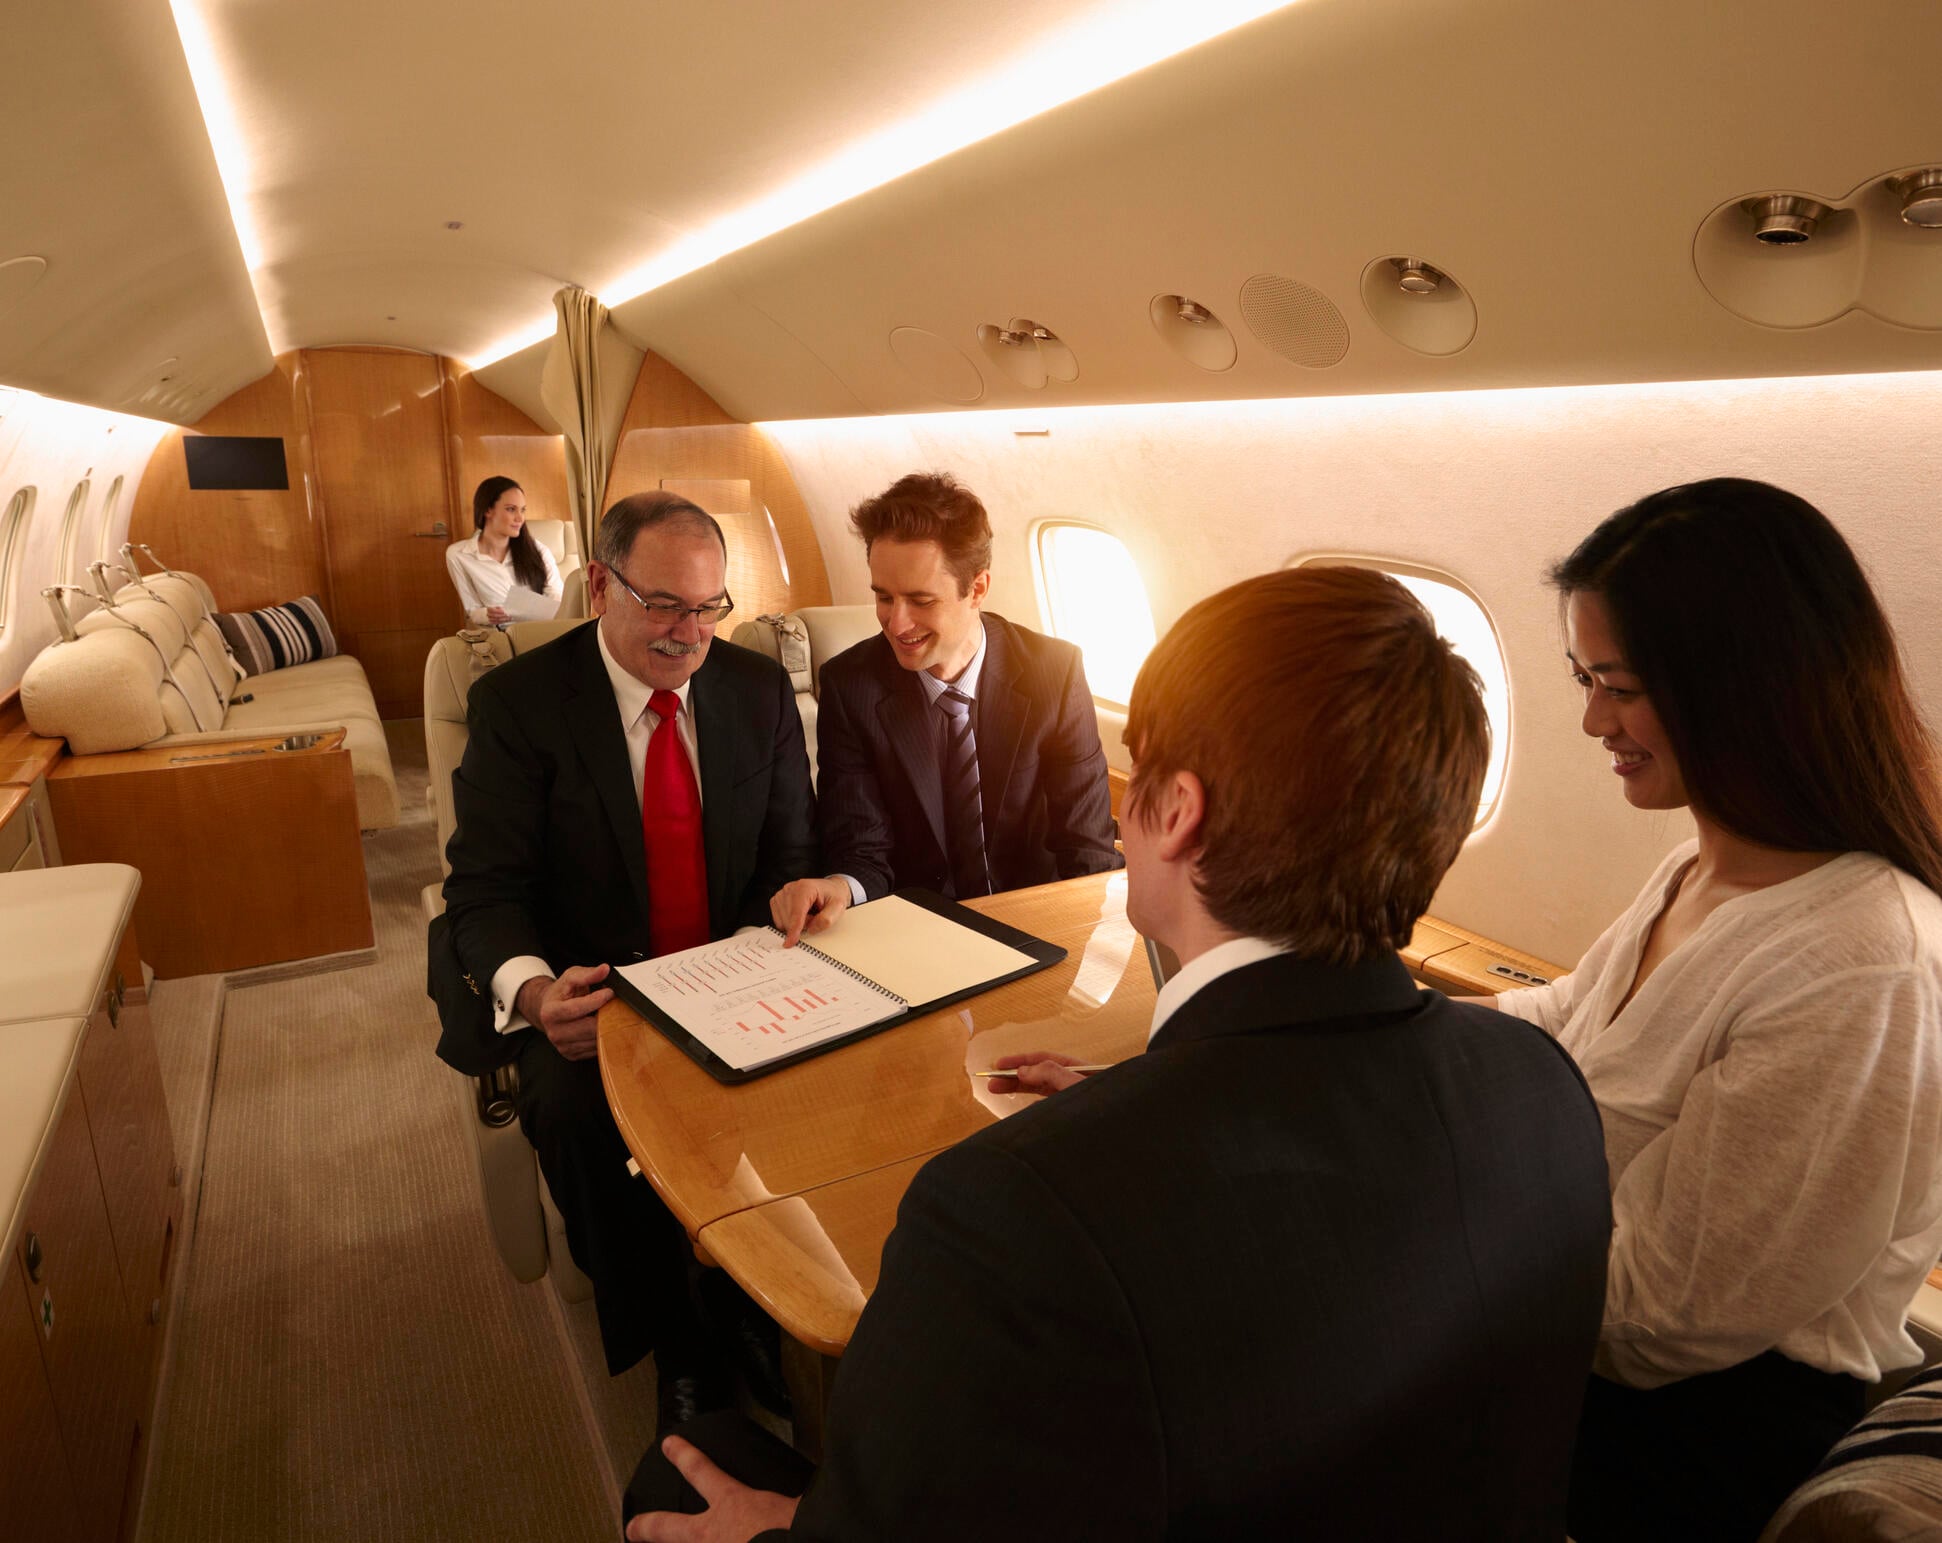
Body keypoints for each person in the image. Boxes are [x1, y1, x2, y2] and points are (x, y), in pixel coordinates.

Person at [624, 565, 1613, 1541]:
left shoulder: (1002, 1211)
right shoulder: (1543, 1087)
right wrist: (1134, 1097)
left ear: (1176, 810)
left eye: (1132, 771)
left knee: (682, 1469)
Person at [1483, 479, 1942, 1543]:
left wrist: (1432, 1234)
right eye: (1584, 678)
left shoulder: (1861, 965)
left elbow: (1662, 1316)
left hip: (1685, 1433)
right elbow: (1565, 1021)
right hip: (1571, 1347)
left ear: (1741, 687)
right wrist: (1367, 1037)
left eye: (1620, 686)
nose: (1592, 719)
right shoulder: (1700, 870)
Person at [439, 490, 817, 1424]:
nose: (690, 634)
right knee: (575, 1114)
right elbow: (483, 891)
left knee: (815, 1074)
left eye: (708, 607)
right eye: (665, 605)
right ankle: (677, 1344)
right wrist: (534, 995)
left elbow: (788, 854)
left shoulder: (758, 691)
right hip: (592, 994)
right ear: (601, 586)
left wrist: (761, 945)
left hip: (735, 970)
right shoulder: (519, 704)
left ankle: (751, 1299)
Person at [768, 472, 1120, 945]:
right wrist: (839, 887)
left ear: (977, 589)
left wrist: (1090, 948)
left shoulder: (1054, 673)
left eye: (920, 600)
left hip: (1038, 925)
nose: (896, 623)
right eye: (883, 596)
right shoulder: (850, 686)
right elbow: (862, 850)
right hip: (917, 936)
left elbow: (1087, 848)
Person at [446, 474, 562, 626]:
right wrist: (488, 615)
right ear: (488, 510)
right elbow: (472, 609)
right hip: (502, 633)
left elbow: (557, 598)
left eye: (522, 510)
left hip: (542, 629)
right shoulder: (459, 555)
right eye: (511, 509)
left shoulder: (538, 550)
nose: (520, 518)